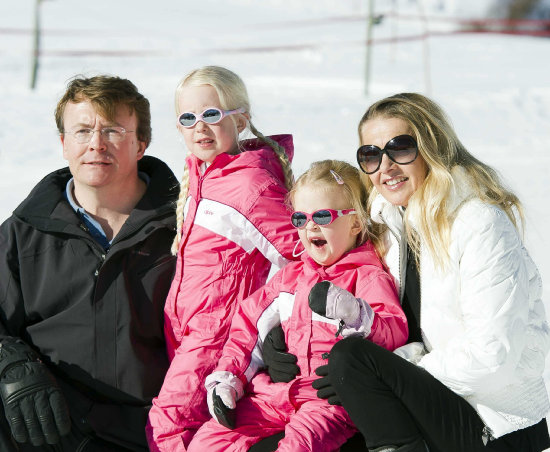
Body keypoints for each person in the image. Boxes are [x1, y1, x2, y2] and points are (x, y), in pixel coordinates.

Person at [264, 92, 550, 452]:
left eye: (399, 149)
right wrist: (277, 336)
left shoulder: (478, 222)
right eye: (370, 155)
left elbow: (492, 355)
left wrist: (384, 371)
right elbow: (330, 263)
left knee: (350, 357)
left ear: (431, 147)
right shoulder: (388, 218)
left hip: (493, 422)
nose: (385, 167)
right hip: (416, 406)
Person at [0, 75, 179, 451]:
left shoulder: (185, 227)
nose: (96, 144)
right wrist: (10, 363)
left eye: (112, 130)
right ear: (64, 144)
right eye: (82, 131)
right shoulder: (22, 233)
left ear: (141, 143)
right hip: (49, 421)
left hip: (156, 427)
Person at [186, 160, 408, 452]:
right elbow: (248, 327)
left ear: (355, 222)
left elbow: (394, 331)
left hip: (327, 403)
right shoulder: (290, 278)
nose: (311, 225)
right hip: (276, 393)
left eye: (323, 215)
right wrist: (228, 380)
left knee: (297, 447)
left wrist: (354, 313)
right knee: (208, 440)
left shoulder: (366, 276)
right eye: (301, 219)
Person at [146, 65, 299, 451]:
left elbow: (302, 256)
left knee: (167, 425)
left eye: (212, 114)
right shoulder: (204, 174)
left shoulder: (249, 184)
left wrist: (268, 319)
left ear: (241, 118)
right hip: (189, 330)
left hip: (219, 333)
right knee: (204, 430)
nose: (200, 127)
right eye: (188, 118)